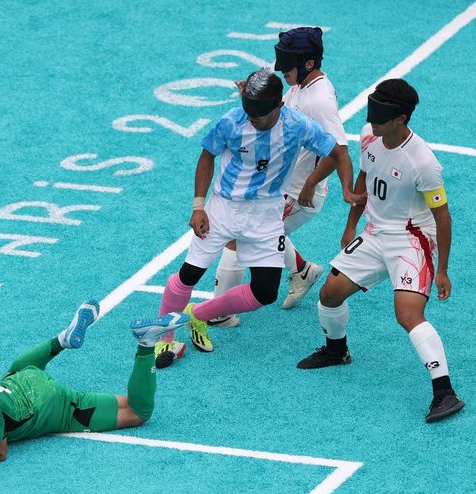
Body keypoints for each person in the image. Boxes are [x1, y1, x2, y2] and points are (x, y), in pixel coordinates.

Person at [152, 66, 361, 369]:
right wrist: (199, 205)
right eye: (249, 112)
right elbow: (207, 155)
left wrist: (335, 185)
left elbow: (337, 151)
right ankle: (164, 337)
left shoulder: (298, 126)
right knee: (189, 274)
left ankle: (200, 314)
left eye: (261, 114)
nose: (254, 120)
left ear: (279, 105)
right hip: (223, 208)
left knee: (265, 292)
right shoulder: (231, 122)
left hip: (266, 215)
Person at [296, 79, 465, 423]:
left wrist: (442, 269)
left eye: (381, 115)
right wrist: (350, 225)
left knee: (407, 315)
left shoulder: (423, 162)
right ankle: (336, 350)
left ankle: (444, 391)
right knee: (329, 294)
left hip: (411, 240)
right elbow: (365, 178)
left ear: (401, 118)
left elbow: (442, 217)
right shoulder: (369, 136)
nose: (373, 119)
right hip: (375, 234)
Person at [0, 301, 189, 461]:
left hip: (49, 402)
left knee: (136, 412)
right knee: (13, 372)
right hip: (20, 379)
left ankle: (146, 343)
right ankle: (61, 340)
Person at [210, 26, 349, 328]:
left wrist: (311, 183)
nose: (282, 71)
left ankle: (218, 314)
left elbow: (338, 149)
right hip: (281, 187)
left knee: (239, 237)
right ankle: (301, 269)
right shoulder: (301, 86)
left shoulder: (319, 101)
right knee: (262, 232)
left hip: (299, 193)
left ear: (308, 63)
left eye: (287, 65)